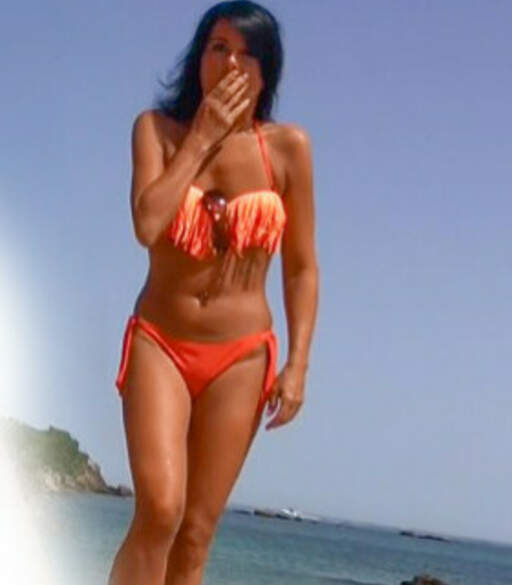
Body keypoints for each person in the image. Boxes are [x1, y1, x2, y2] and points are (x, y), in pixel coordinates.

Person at [108, 2, 318, 584]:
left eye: (248, 55)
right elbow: (148, 223)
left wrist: (298, 364)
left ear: (267, 72)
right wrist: (200, 138)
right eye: (219, 48)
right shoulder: (156, 131)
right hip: (160, 342)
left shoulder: (289, 149)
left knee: (196, 533)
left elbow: (301, 268)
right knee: (159, 512)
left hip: (242, 357)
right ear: (198, 57)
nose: (231, 64)